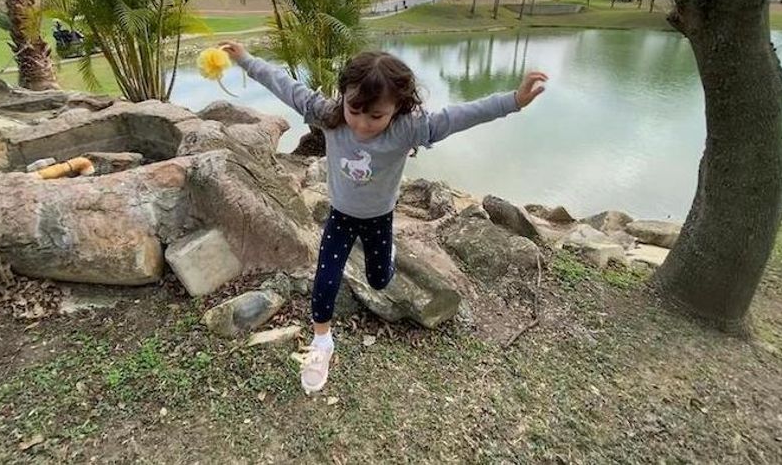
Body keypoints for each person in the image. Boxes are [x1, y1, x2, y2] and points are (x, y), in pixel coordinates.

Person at [218, 40, 547, 394]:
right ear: (343, 96)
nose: (362, 124)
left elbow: (460, 116)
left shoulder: (408, 129)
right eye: (355, 110)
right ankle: (322, 342)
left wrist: (513, 100)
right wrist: (245, 59)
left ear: (397, 108)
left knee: (378, 280)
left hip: (379, 220)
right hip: (340, 217)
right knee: (325, 278)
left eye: (376, 116)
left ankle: (387, 254)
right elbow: (284, 85)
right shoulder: (329, 115)